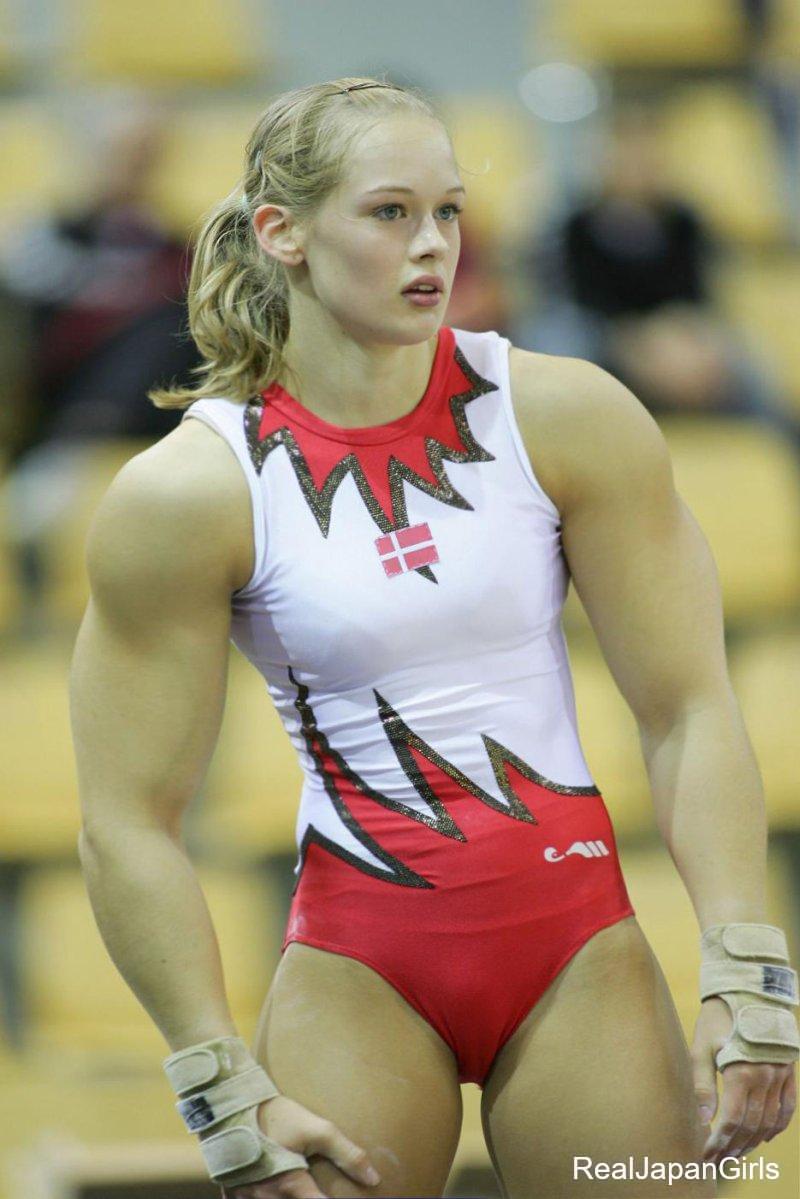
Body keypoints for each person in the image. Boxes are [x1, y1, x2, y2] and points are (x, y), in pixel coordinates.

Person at [69, 77, 799, 1199]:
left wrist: (747, 968)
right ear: (283, 232)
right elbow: (127, 820)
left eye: (449, 211)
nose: (433, 246)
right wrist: (215, 1077)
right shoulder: (193, 491)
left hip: (576, 951)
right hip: (360, 966)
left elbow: (689, 706)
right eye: (390, 212)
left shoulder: (564, 414)